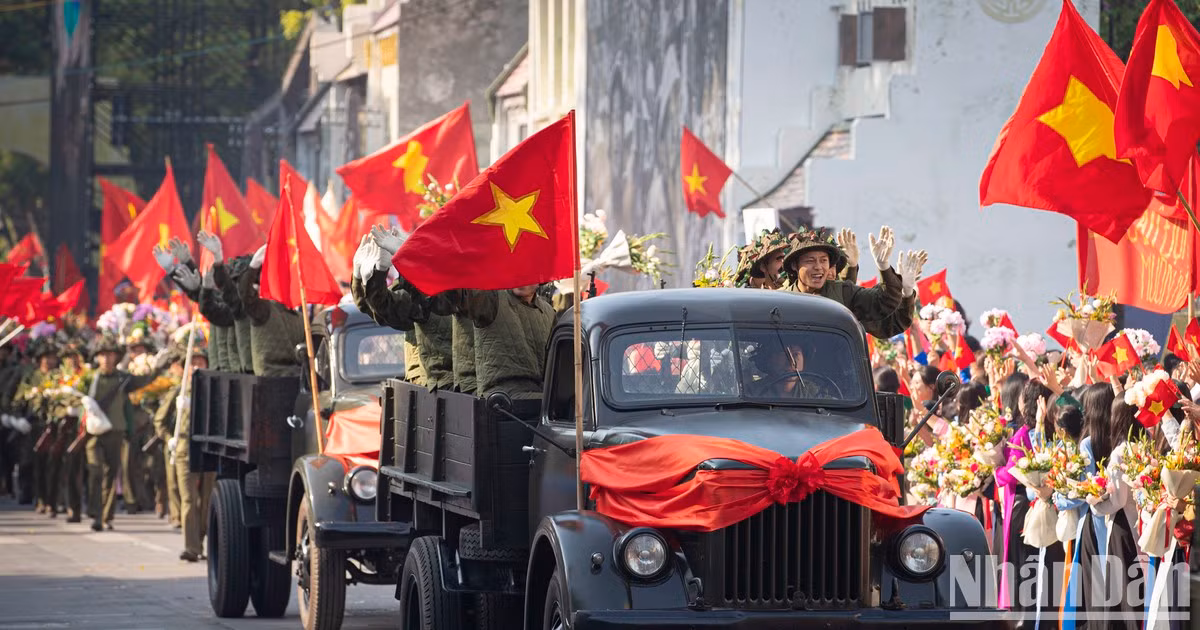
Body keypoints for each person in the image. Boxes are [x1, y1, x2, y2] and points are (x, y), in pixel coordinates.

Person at [78, 334, 168, 532]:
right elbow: (76, 399)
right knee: (94, 470)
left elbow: (143, 381)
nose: (107, 359)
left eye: (111, 355)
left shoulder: (123, 379)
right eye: (103, 355)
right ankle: (94, 509)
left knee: (111, 473)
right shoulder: (89, 378)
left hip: (115, 430)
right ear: (97, 357)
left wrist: (159, 367)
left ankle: (105, 516)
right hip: (93, 432)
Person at [779, 225, 924, 339]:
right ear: (794, 266)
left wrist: (883, 266)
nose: (818, 267)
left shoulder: (844, 293)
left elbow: (885, 303)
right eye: (810, 261)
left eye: (824, 261)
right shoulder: (779, 300)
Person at [155, 344, 214, 561]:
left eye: (201, 362)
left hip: (207, 450)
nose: (197, 366)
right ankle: (192, 547)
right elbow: (159, 421)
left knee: (206, 500)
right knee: (189, 500)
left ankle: (201, 539)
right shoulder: (177, 392)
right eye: (193, 362)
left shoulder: (212, 390)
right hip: (184, 450)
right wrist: (169, 438)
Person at [237, 246, 305, 378]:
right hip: (270, 381)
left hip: (297, 379)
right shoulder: (264, 309)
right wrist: (253, 268)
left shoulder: (300, 318)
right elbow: (245, 296)